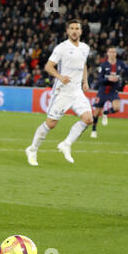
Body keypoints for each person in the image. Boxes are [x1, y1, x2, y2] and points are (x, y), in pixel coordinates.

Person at [25, 19, 93, 166]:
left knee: (88, 119)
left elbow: (84, 64)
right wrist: (60, 77)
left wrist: (85, 81)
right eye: (72, 28)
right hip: (63, 91)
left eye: (77, 28)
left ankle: (66, 144)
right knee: (51, 123)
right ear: (67, 31)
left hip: (77, 90)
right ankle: (32, 149)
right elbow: (48, 67)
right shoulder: (61, 47)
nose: (74, 31)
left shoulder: (85, 48)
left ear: (81, 31)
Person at [90, 46, 126, 138]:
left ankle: (106, 113)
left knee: (117, 107)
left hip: (113, 91)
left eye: (114, 52)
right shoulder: (103, 65)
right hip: (103, 91)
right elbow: (99, 80)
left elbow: (126, 72)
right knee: (96, 112)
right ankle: (93, 130)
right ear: (107, 53)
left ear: (116, 53)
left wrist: (121, 80)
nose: (112, 54)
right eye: (110, 52)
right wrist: (108, 79)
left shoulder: (120, 64)